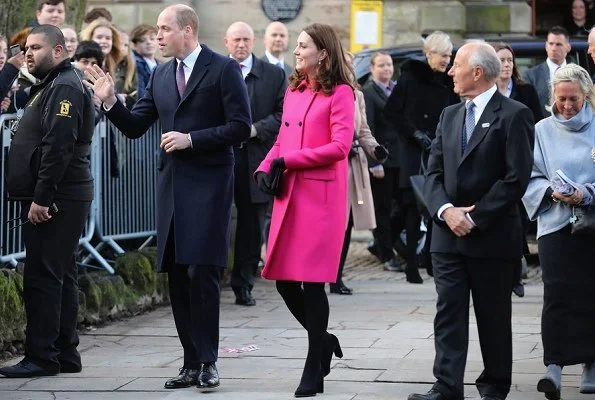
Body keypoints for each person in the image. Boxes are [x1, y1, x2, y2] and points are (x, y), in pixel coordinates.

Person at [84, 4, 251, 391]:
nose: (157, 36)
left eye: (164, 29)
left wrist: (193, 139)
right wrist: (109, 102)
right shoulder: (160, 74)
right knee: (177, 274)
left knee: (202, 271)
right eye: (157, 30)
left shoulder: (223, 69)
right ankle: (190, 362)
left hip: (210, 185)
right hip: (172, 187)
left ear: (187, 30)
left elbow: (241, 127)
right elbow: (135, 126)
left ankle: (210, 361)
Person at [409, 41, 534, 400]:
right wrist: (446, 211)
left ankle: (494, 386)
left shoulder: (514, 114)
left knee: (493, 318)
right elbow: (432, 172)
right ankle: (447, 387)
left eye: (457, 65)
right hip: (447, 236)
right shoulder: (450, 115)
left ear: (477, 72)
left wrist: (475, 217)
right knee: (448, 313)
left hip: (491, 236)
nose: (450, 71)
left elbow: (516, 179)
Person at [255, 23, 354, 397]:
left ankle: (314, 366)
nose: (296, 51)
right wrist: (266, 166)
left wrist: (290, 161)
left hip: (320, 201)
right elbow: (281, 137)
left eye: (302, 46)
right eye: (296, 46)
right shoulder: (294, 88)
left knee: (313, 286)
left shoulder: (341, 93)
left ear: (323, 53)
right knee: (283, 281)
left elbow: (340, 146)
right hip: (289, 197)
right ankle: (325, 341)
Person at [0, 24, 94, 378]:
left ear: (58, 51)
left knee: (42, 277)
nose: (28, 54)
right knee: (62, 274)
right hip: (61, 195)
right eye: (26, 48)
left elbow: (59, 146)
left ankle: (42, 356)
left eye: (36, 47)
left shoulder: (64, 85)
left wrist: (41, 198)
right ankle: (65, 353)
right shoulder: (52, 84)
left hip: (58, 197)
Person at [522, 63, 595, 400]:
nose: (567, 106)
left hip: (592, 221)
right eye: (561, 99)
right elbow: (530, 175)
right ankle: (553, 364)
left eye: (574, 100)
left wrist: (586, 193)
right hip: (554, 222)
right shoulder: (541, 130)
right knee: (556, 293)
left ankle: (591, 362)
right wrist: (551, 192)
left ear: (587, 96)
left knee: (590, 292)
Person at [384, 30, 460, 283]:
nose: (447, 61)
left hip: (438, 150)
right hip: (412, 150)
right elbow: (392, 112)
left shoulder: (449, 81)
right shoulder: (410, 76)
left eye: (450, 56)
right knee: (412, 208)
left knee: (435, 205)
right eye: (443, 55)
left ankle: (430, 259)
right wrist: (414, 133)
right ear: (429, 54)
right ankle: (411, 266)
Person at [224, 21, 286, 306]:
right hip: (222, 156)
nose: (241, 45)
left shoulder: (273, 75)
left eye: (246, 40)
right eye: (236, 40)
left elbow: (283, 113)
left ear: (254, 41)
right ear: (226, 42)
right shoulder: (215, 71)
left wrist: (255, 129)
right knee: (217, 220)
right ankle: (213, 278)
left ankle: (244, 283)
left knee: (252, 225)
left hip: (257, 159)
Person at [332, 52, 387, 296]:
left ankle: (336, 276)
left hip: (354, 167)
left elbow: (363, 129)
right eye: (344, 63)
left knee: (347, 224)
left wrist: (375, 149)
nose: (348, 67)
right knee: (330, 224)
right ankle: (319, 274)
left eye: (350, 64)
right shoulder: (323, 92)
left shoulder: (357, 94)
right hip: (330, 166)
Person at [492, 41, 543, 298]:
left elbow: (538, 126)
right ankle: (504, 272)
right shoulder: (486, 93)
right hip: (493, 168)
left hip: (520, 164)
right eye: (501, 60)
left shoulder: (526, 91)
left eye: (510, 60)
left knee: (518, 224)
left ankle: (515, 274)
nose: (506, 64)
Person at [361, 52, 401, 272]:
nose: (386, 69)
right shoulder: (368, 92)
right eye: (382, 65)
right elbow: (369, 128)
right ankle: (387, 255)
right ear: (372, 68)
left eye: (389, 65)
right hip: (382, 162)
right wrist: (374, 163)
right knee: (382, 209)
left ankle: (381, 244)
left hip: (400, 160)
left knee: (405, 206)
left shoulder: (397, 90)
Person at [79, 18, 135, 108]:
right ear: (90, 38)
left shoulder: (115, 65)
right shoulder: (82, 62)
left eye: (108, 38)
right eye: (99, 37)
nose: (104, 41)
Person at [523, 26, 571, 116]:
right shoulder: (531, 75)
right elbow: (526, 109)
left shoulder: (578, 74)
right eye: (551, 44)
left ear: (568, 47)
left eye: (558, 44)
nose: (553, 48)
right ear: (546, 46)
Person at [130, 24, 159, 99]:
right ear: (135, 45)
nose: (148, 42)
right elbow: (140, 94)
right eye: (143, 40)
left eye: (152, 39)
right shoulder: (135, 64)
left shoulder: (160, 64)